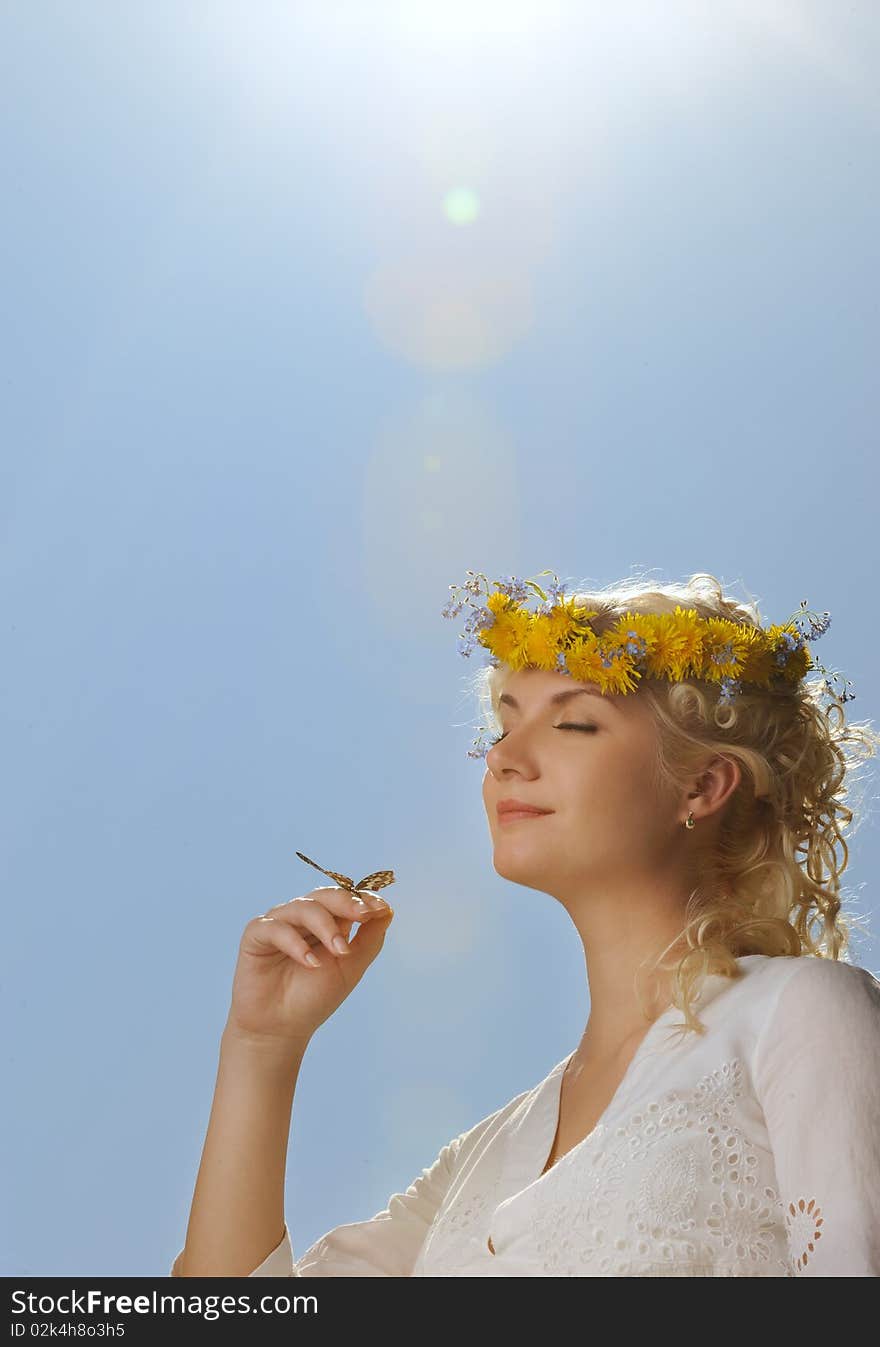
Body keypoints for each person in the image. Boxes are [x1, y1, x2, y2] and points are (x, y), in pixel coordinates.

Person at [171, 569, 880, 1277]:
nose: (505, 757)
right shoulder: (474, 1163)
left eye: (573, 722)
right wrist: (262, 1046)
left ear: (702, 783)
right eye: (505, 725)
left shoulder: (799, 1015)